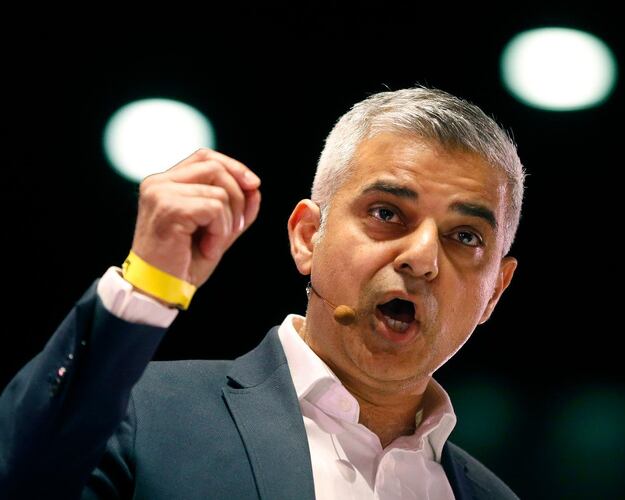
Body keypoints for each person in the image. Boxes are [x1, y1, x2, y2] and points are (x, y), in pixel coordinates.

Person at [0, 86, 525, 499]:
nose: (422, 258)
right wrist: (147, 284)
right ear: (306, 238)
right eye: (386, 213)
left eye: (465, 237)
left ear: (495, 293)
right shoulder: (139, 413)